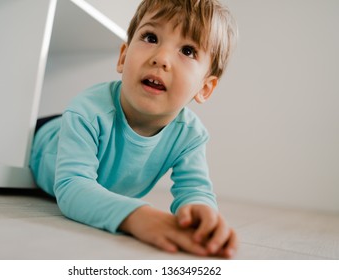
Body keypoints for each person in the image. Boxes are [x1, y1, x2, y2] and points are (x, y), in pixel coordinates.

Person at [30, 0, 238, 258]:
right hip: (40, 135)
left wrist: (202, 212)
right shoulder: (87, 110)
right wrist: (138, 216)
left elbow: (195, 190)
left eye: (187, 51)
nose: (161, 58)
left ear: (205, 88)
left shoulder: (190, 136)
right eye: (151, 37)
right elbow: (73, 187)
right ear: (123, 56)